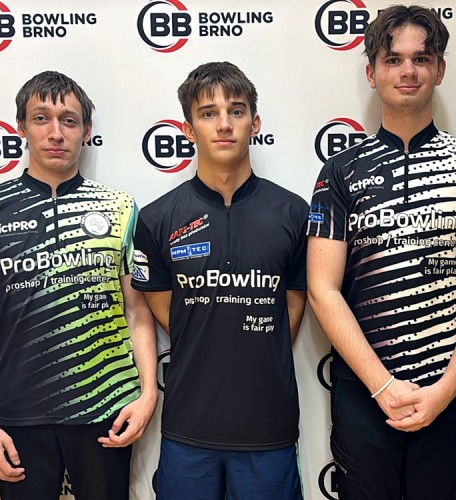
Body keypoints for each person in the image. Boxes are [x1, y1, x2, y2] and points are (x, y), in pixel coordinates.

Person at [306, 6, 456, 499]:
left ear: (440, 69)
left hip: (449, 394)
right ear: (371, 73)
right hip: (363, 394)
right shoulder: (339, 171)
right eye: (393, 59)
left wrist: (443, 391)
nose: (408, 71)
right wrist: (382, 386)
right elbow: (322, 289)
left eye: (422, 58)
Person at [0, 70, 157, 500]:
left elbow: (138, 312)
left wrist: (148, 393)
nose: (56, 133)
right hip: (21, 417)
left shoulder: (121, 207)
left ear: (86, 130)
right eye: (41, 118)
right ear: (21, 127)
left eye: (69, 121)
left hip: (107, 410)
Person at [127, 61, 308, 500]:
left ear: (254, 123)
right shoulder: (156, 218)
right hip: (189, 427)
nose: (224, 124)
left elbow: (293, 303)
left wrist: (255, 343)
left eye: (236, 111)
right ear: (189, 129)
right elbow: (165, 308)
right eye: (208, 113)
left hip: (268, 426)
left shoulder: (293, 213)